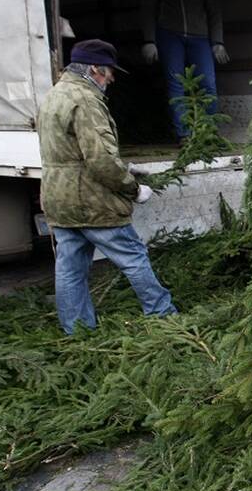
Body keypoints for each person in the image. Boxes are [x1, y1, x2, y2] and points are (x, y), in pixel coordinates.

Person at [37, 40, 178, 334]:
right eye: (109, 72)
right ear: (93, 69)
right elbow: (99, 160)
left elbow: (70, 152)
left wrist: (123, 166)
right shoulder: (86, 100)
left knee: (70, 270)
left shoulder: (54, 95)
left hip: (59, 199)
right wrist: (133, 188)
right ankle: (164, 318)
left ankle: (78, 332)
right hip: (92, 201)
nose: (112, 78)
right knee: (133, 257)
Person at [139, 0, 227, 140]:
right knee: (176, 85)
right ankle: (183, 134)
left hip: (200, 37)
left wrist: (217, 41)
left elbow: (214, 9)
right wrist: (149, 40)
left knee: (208, 85)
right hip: (169, 35)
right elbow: (148, 7)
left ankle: (209, 133)